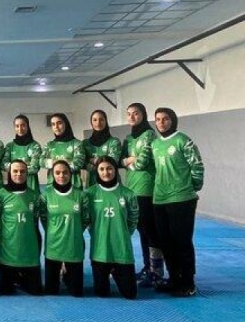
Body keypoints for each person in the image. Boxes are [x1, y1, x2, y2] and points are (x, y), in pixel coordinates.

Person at [151, 108, 204, 297]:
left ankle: (188, 282)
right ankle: (174, 279)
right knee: (166, 242)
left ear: (172, 120)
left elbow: (197, 165)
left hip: (182, 199)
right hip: (160, 199)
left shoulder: (183, 140)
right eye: (158, 119)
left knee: (182, 242)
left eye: (165, 119)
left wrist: (192, 187)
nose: (161, 122)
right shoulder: (155, 144)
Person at [120, 103, 163, 286]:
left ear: (143, 115)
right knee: (142, 230)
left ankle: (157, 272)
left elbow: (143, 162)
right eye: (129, 114)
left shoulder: (149, 135)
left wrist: (129, 161)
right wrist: (129, 160)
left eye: (136, 113)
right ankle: (147, 267)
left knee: (150, 231)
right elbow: (119, 161)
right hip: (132, 189)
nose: (132, 117)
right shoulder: (129, 138)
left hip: (146, 189)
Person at [87, 157, 139, 299]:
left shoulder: (128, 194)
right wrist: (97, 233)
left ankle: (116, 271)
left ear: (115, 170)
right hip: (100, 250)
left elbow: (133, 219)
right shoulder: (90, 194)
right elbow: (86, 219)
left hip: (122, 249)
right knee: (101, 293)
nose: (106, 172)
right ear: (97, 171)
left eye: (109, 168)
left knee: (130, 294)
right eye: (102, 169)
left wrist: (123, 234)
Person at [39, 160, 90, 297]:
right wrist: (55, 231)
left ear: (70, 174)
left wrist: (73, 231)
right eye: (57, 173)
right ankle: (59, 271)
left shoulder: (81, 195)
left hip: (74, 246)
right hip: (53, 247)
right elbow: (44, 219)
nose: (61, 175)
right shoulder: (45, 195)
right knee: (51, 291)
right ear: (52, 175)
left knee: (76, 293)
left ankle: (67, 273)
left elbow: (86, 219)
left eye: (65, 172)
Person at [0, 160, 43, 295]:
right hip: (8, 253)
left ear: (27, 174)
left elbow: (36, 222)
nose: (19, 174)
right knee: (5, 292)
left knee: (36, 291)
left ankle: (22, 277)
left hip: (29, 254)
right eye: (15, 171)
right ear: (9, 173)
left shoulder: (34, 196)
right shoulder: (0, 195)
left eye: (22, 171)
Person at [40, 113, 85, 189]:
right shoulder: (49, 145)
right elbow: (41, 162)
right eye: (53, 124)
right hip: (53, 186)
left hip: (73, 186)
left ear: (66, 124)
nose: (56, 127)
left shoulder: (77, 144)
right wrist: (67, 161)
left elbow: (77, 164)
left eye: (59, 123)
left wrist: (53, 162)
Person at [2, 115, 42, 193]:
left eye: (23, 125)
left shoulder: (35, 146)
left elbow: (34, 168)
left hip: (31, 186)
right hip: (13, 186)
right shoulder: (9, 146)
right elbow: (3, 165)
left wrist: (13, 167)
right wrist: (26, 164)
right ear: (14, 128)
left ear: (27, 127)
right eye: (17, 126)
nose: (20, 129)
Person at [83, 110, 121, 188]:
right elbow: (82, 163)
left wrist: (93, 161)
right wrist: (103, 160)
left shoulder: (114, 142)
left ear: (106, 121)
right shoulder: (85, 143)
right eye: (95, 120)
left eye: (101, 119)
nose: (98, 123)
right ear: (91, 122)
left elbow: (113, 162)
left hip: (112, 184)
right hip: (93, 184)